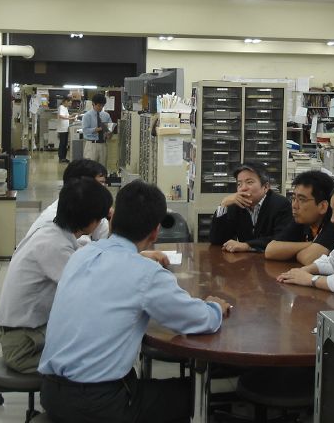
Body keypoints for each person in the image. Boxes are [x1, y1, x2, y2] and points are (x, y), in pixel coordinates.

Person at [39, 180, 231, 423]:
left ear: (113, 217)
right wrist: (216, 307)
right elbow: (197, 319)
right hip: (97, 404)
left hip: (50, 392)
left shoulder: (82, 254)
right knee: (197, 393)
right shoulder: (147, 274)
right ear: (155, 231)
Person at [0, 177, 114, 373]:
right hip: (24, 346)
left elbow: (89, 251)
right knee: (98, 359)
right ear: (90, 220)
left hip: (31, 333)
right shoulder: (53, 245)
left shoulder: (53, 232)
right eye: (101, 218)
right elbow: (92, 289)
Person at [209, 163, 293, 253]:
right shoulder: (236, 205)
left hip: (273, 261)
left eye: (249, 182)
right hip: (245, 263)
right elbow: (217, 240)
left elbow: (282, 240)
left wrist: (247, 245)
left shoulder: (281, 204)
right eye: (239, 184)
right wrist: (223, 205)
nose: (243, 188)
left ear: (265, 187)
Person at [25, 159, 111, 247]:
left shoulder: (87, 208)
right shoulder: (59, 219)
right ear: (79, 185)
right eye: (100, 184)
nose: (103, 190)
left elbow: (105, 239)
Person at [264, 171, 334, 265]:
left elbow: (309, 259)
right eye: (293, 198)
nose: (294, 205)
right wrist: (311, 244)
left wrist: (292, 251)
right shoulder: (302, 220)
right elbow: (270, 250)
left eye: (301, 200)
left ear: (323, 206)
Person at [81, 93, 113, 165]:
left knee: (102, 167)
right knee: (90, 168)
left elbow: (110, 128)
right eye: (99, 105)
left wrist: (109, 134)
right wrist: (96, 129)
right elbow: (85, 130)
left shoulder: (106, 115)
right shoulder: (87, 116)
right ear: (93, 104)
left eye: (102, 105)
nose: (101, 107)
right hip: (92, 144)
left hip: (103, 144)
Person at [56, 97, 76, 163]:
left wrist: (72, 115)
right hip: (62, 129)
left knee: (65, 144)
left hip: (66, 128)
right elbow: (61, 116)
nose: (70, 104)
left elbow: (66, 116)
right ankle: (61, 158)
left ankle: (64, 158)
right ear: (65, 101)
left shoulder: (65, 108)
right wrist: (70, 118)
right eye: (69, 103)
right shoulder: (61, 107)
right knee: (62, 144)